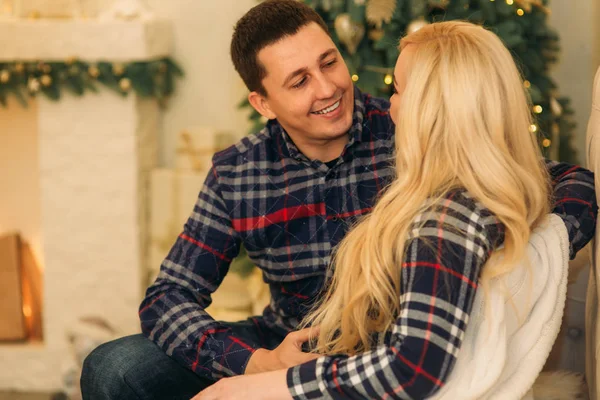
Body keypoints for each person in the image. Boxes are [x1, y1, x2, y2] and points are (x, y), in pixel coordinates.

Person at [80, 1, 597, 399]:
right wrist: (251, 362)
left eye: (329, 62)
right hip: (291, 342)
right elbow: (167, 296)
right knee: (113, 368)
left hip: (397, 341)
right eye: (299, 80)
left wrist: (506, 235)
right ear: (262, 102)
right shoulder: (238, 172)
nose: (328, 87)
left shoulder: (413, 124)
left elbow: (559, 183)